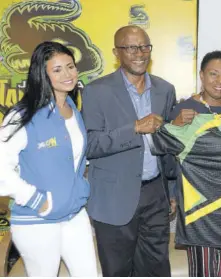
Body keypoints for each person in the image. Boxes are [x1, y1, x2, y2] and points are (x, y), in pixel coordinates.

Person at [81, 25, 179, 276]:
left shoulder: (165, 89)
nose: (140, 53)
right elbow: (90, 145)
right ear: (116, 52)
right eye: (131, 47)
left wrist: (172, 190)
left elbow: (168, 146)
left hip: (155, 194)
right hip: (113, 197)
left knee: (156, 269)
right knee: (117, 271)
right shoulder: (96, 91)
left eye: (145, 46)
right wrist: (134, 128)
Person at [0, 41, 97, 276]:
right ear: (41, 75)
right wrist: (37, 200)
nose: (67, 74)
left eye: (70, 66)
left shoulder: (73, 109)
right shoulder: (22, 115)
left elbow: (74, 159)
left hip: (74, 214)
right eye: (57, 70)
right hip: (37, 220)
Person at [169, 50, 221, 276]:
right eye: (213, 74)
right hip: (199, 205)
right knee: (204, 270)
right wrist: (175, 125)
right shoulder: (184, 110)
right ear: (201, 76)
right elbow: (169, 152)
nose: (220, 81)